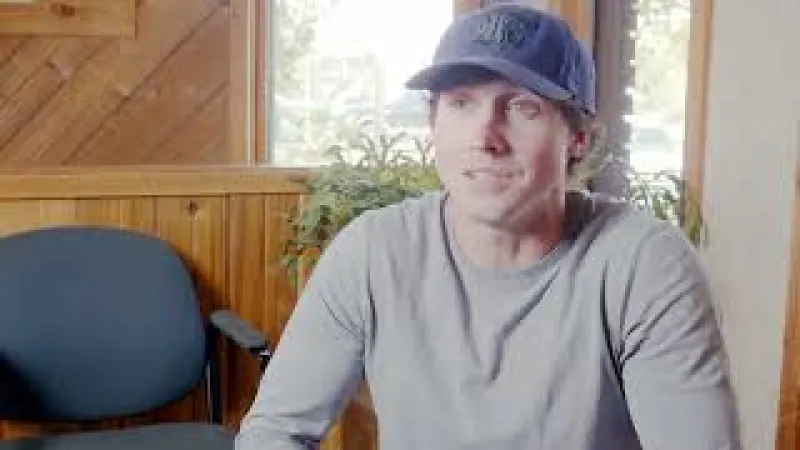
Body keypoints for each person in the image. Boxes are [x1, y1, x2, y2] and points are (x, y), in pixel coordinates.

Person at [235, 4, 740, 449]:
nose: (486, 136)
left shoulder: (643, 265)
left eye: (523, 107)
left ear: (579, 139)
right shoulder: (372, 253)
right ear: (434, 124)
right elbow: (276, 432)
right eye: (461, 103)